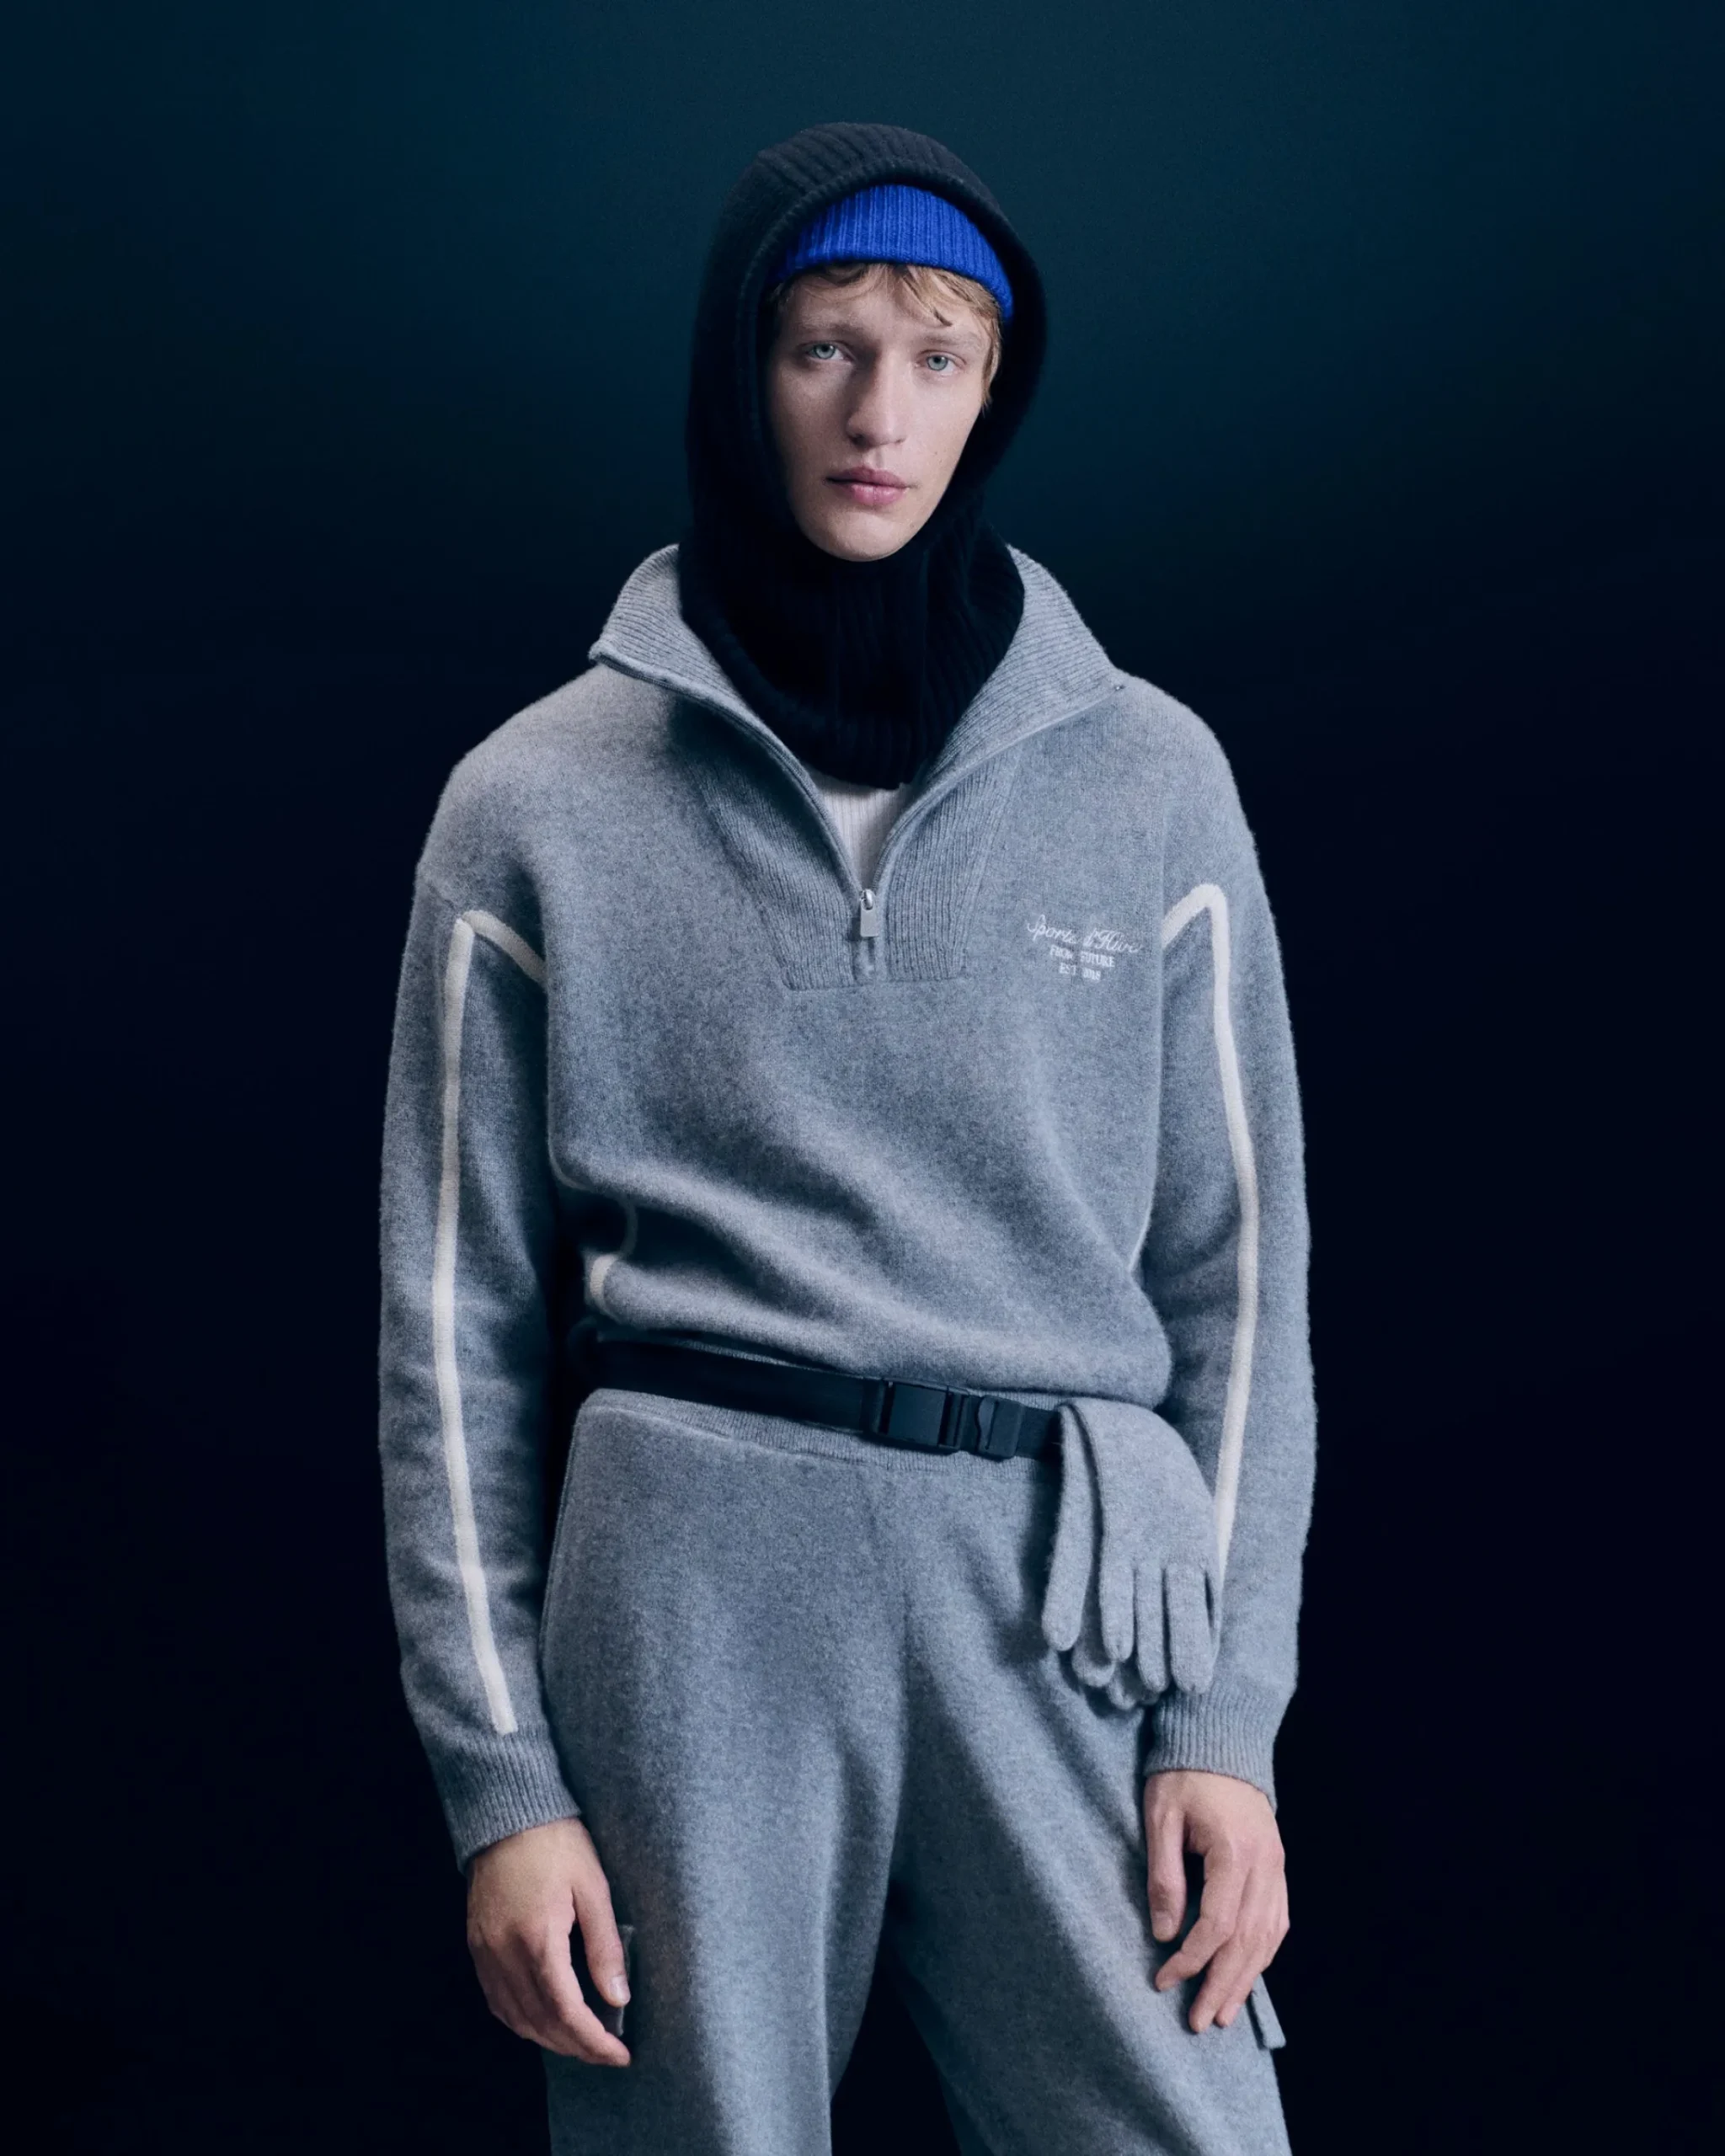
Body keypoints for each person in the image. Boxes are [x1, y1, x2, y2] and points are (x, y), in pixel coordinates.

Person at [378, 120, 1316, 2156]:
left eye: (937, 356)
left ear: (994, 390)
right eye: (825, 347)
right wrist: (504, 1782)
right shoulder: (532, 798)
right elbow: (452, 1331)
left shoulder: (1151, 778)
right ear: (743, 367)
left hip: (1069, 1583)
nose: (880, 414)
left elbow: (1236, 1283)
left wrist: (1224, 1719)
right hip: (691, 1581)